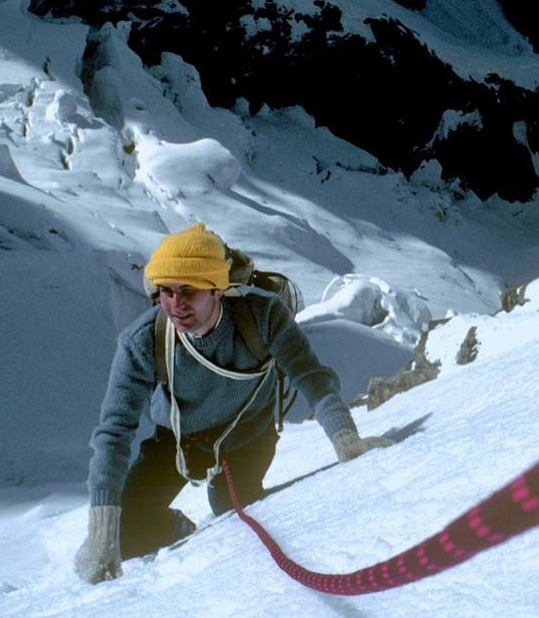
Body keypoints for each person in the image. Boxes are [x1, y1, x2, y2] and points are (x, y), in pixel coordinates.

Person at [74, 222, 391, 583]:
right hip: (178, 445)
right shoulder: (142, 341)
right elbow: (114, 433)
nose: (175, 305)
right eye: (165, 291)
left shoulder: (263, 314)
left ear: (217, 289)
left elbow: (310, 375)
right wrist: (102, 534)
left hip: (249, 435)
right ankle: (179, 530)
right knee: (125, 535)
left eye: (188, 291)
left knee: (232, 510)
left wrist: (345, 439)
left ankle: (216, 504)